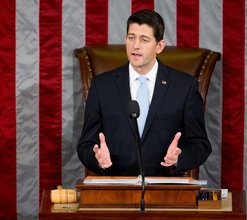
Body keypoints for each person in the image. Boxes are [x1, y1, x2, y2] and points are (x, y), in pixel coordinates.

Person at [77, 9, 211, 176]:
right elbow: (85, 144)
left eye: (144, 39)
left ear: (159, 46)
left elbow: (200, 144)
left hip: (166, 191)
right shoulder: (102, 86)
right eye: (131, 37)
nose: (135, 45)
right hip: (116, 188)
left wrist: (178, 158)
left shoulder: (184, 86)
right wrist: (97, 158)